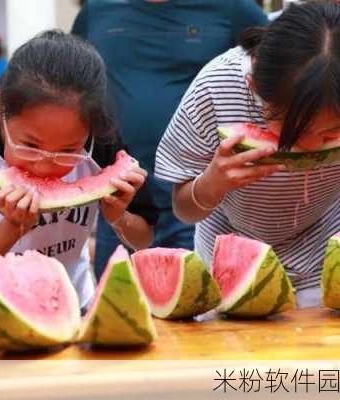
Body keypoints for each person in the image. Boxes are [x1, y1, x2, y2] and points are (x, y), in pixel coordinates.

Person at [0, 31, 159, 310]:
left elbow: (144, 237)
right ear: (1, 107)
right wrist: (12, 227)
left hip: (72, 306)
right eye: (30, 145)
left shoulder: (100, 143)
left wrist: (119, 217)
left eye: (68, 150)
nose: (45, 165)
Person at [155, 0, 340, 308]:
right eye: (286, 126)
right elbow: (182, 208)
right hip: (229, 258)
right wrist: (211, 185)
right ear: (253, 86)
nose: (306, 146)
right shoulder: (215, 88)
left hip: (326, 254)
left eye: (328, 133)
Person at [72, 0, 269, 278]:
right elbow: (73, 87)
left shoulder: (232, 8)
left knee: (199, 311)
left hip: (199, 203)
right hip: (120, 204)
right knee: (119, 312)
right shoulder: (96, 10)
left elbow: (286, 69)